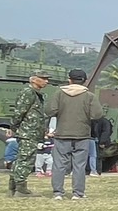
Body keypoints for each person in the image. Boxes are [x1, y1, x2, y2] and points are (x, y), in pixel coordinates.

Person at [45, 69, 104, 200]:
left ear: (69, 79)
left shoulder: (59, 93)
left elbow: (50, 110)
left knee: (59, 164)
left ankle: (58, 193)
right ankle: (78, 193)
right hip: (82, 134)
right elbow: (97, 114)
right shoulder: (89, 96)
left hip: (62, 134)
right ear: (84, 81)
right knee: (79, 165)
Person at [9, 71, 51, 197]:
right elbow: (19, 112)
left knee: (21, 159)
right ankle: (20, 189)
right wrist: (15, 127)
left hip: (32, 131)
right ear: (33, 80)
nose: (46, 81)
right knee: (25, 160)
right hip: (28, 132)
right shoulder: (28, 92)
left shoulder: (36, 94)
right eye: (43, 78)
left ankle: (14, 186)